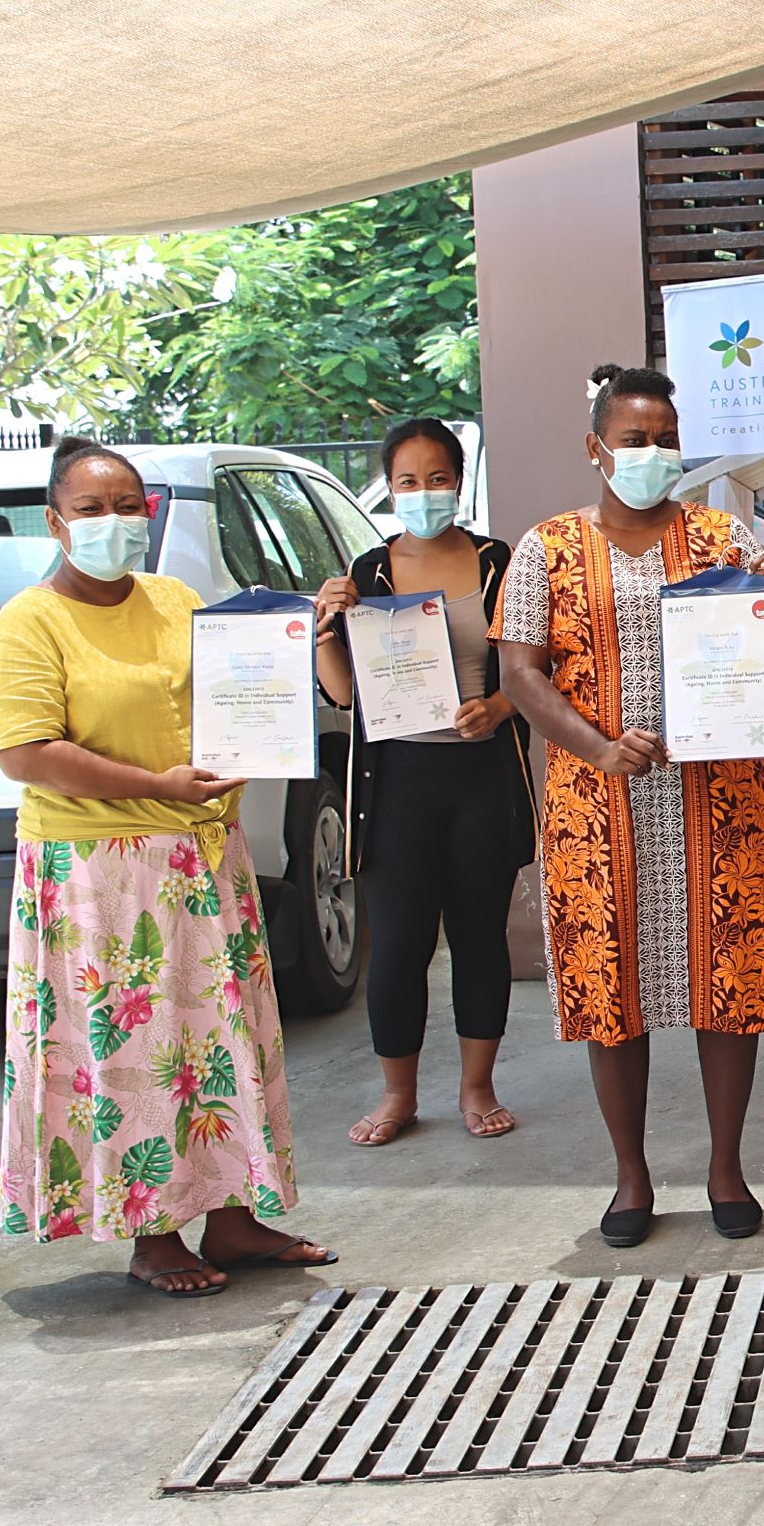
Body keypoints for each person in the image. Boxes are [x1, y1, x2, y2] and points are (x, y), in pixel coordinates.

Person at [0, 437, 333, 1296]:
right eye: (92, 509)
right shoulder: (31, 620)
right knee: (131, 1049)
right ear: (56, 522)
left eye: (129, 505)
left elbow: (229, 696)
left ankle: (236, 1218)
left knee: (215, 1040)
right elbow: (27, 752)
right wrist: (156, 786)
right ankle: (154, 1232)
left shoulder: (176, 599)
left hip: (200, 855)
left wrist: (288, 669)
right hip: (97, 873)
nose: (115, 522)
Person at [494, 364, 764, 1248]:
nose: (651, 453)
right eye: (633, 439)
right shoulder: (545, 547)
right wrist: (597, 745)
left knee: (730, 980)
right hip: (599, 808)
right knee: (614, 991)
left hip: (720, 801)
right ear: (596, 447)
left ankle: (725, 1166)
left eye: (664, 437)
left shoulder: (725, 537)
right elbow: (518, 673)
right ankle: (631, 1174)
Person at [312, 418, 535, 1146]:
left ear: (459, 480)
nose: (423, 493)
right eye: (407, 481)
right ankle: (396, 1093)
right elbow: (344, 694)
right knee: (401, 942)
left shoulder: (499, 562)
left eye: (437, 478)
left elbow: (538, 668)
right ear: (390, 488)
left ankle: (478, 1087)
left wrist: (499, 706)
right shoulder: (368, 571)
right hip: (396, 779)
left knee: (479, 937)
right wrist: (321, 631)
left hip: (481, 775)